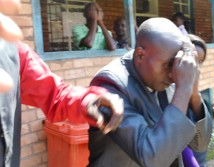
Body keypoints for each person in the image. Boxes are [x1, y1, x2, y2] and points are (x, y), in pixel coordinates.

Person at [0, 1, 124, 166]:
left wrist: (89, 101)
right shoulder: (78, 29)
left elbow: (55, 94)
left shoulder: (13, 52)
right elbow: (87, 42)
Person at [87, 17, 213, 167]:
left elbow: (200, 143)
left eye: (175, 65)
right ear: (140, 55)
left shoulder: (170, 77)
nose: (173, 75)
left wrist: (192, 91)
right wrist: (184, 89)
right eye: (168, 65)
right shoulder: (110, 84)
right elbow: (151, 158)